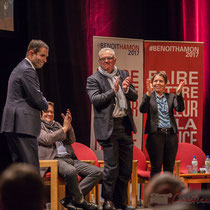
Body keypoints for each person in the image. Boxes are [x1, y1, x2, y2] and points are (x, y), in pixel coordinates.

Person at [86, 47, 138, 210]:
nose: (106, 61)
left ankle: (120, 201)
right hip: (108, 127)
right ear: (99, 62)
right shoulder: (93, 79)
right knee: (112, 167)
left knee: (126, 168)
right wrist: (113, 91)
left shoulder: (122, 74)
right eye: (103, 59)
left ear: (115, 59)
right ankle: (108, 200)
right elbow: (95, 100)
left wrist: (126, 89)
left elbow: (134, 96)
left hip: (124, 125)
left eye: (109, 58)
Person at [38, 101, 102, 210]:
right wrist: (64, 129)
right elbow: (47, 139)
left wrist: (69, 126)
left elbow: (72, 140)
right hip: (55, 160)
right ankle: (80, 201)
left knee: (97, 172)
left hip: (70, 158)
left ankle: (70, 200)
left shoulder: (57, 125)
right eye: (46, 111)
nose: (49, 114)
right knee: (71, 171)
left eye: (51, 112)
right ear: (41, 113)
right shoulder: (37, 126)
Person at [0, 39, 49, 170]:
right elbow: (37, 97)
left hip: (14, 124)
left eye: (46, 57)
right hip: (23, 125)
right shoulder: (27, 70)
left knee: (19, 169)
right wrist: (46, 105)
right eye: (42, 56)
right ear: (31, 53)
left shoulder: (21, 68)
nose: (45, 60)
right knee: (31, 169)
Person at [139, 71, 185, 178]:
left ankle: (168, 194)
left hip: (171, 136)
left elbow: (180, 108)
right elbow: (142, 109)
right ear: (152, 83)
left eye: (161, 81)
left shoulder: (171, 96)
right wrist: (148, 93)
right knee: (156, 167)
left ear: (165, 84)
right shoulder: (149, 96)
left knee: (169, 168)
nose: (157, 83)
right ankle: (155, 194)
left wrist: (178, 94)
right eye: (155, 81)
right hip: (155, 135)